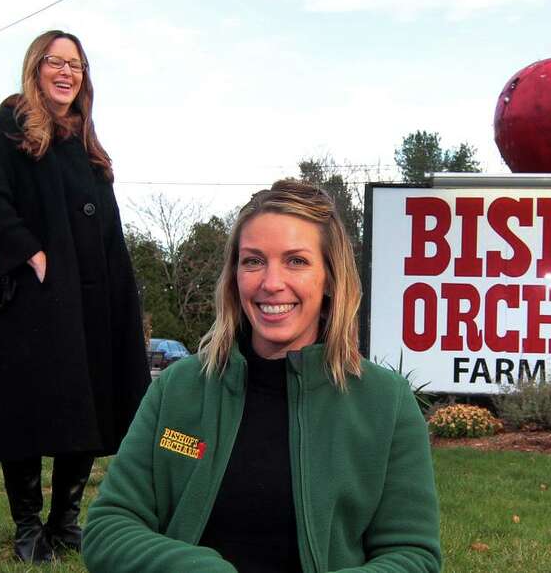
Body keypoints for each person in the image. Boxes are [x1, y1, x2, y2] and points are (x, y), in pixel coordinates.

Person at [82, 181, 442, 572]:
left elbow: (413, 556)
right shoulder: (178, 389)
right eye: (253, 261)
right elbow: (108, 527)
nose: (271, 283)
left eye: (296, 261)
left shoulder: (385, 402)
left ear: (330, 279)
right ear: (234, 275)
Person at [0, 30, 150, 563]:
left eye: (77, 65)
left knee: (87, 410)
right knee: (23, 410)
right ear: (36, 67)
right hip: (35, 302)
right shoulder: (8, 127)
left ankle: (64, 522)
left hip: (91, 304)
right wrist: (32, 255)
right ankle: (28, 527)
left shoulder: (86, 142)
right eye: (56, 62)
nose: (68, 73)